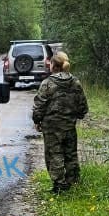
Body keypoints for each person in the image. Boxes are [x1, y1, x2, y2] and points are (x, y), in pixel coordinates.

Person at [32, 51, 88, 193]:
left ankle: (59, 185)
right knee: (70, 154)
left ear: (53, 66)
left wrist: (37, 120)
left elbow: (39, 105)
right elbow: (83, 106)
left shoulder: (47, 84)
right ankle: (72, 182)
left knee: (54, 154)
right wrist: (76, 115)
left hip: (51, 127)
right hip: (69, 125)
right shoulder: (75, 82)